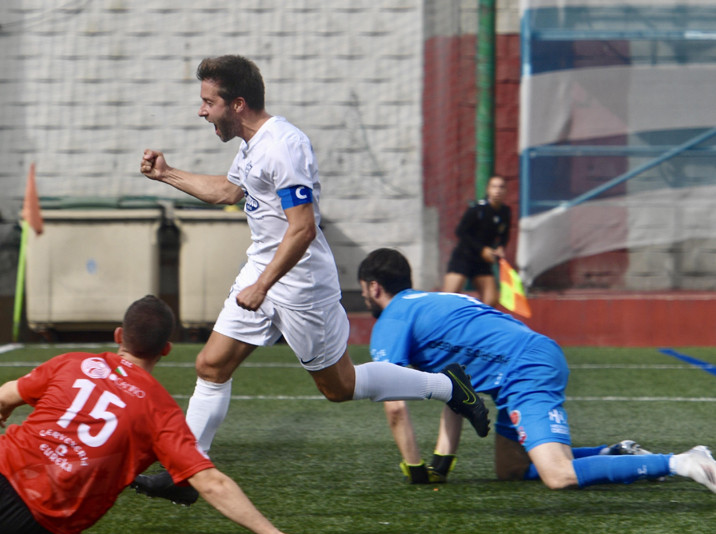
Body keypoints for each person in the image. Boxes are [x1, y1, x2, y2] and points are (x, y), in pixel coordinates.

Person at [136, 55, 489, 503]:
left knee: (339, 387)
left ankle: (448, 385)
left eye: (208, 102)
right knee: (211, 365)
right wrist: (166, 173)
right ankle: (186, 473)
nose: (201, 111)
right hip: (262, 272)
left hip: (300, 282)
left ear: (238, 104)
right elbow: (228, 192)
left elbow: (302, 228)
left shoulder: (284, 145)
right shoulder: (251, 144)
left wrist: (263, 285)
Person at [0, 296, 329, 534]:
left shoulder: (73, 362)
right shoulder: (160, 410)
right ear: (166, 350)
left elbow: (4, 394)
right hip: (38, 522)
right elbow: (209, 481)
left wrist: (3, 412)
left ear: (117, 335)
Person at [357, 248, 716, 492]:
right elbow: (454, 390)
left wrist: (416, 471)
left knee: (557, 475)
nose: (364, 296)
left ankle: (683, 462)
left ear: (374, 287)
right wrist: (442, 462)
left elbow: (395, 407)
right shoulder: (431, 302)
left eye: (363, 290)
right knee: (510, 469)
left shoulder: (392, 321)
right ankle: (613, 453)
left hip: (525, 367)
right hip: (525, 361)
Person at [442, 175, 511, 307]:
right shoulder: (477, 210)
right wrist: (482, 249)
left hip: (482, 261)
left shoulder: (505, 212)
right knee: (448, 298)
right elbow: (461, 232)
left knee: (491, 300)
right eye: (494, 187)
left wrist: (501, 247)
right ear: (488, 189)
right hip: (464, 256)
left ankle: (479, 325)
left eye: (501, 187)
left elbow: (505, 234)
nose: (498, 190)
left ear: (506, 191)